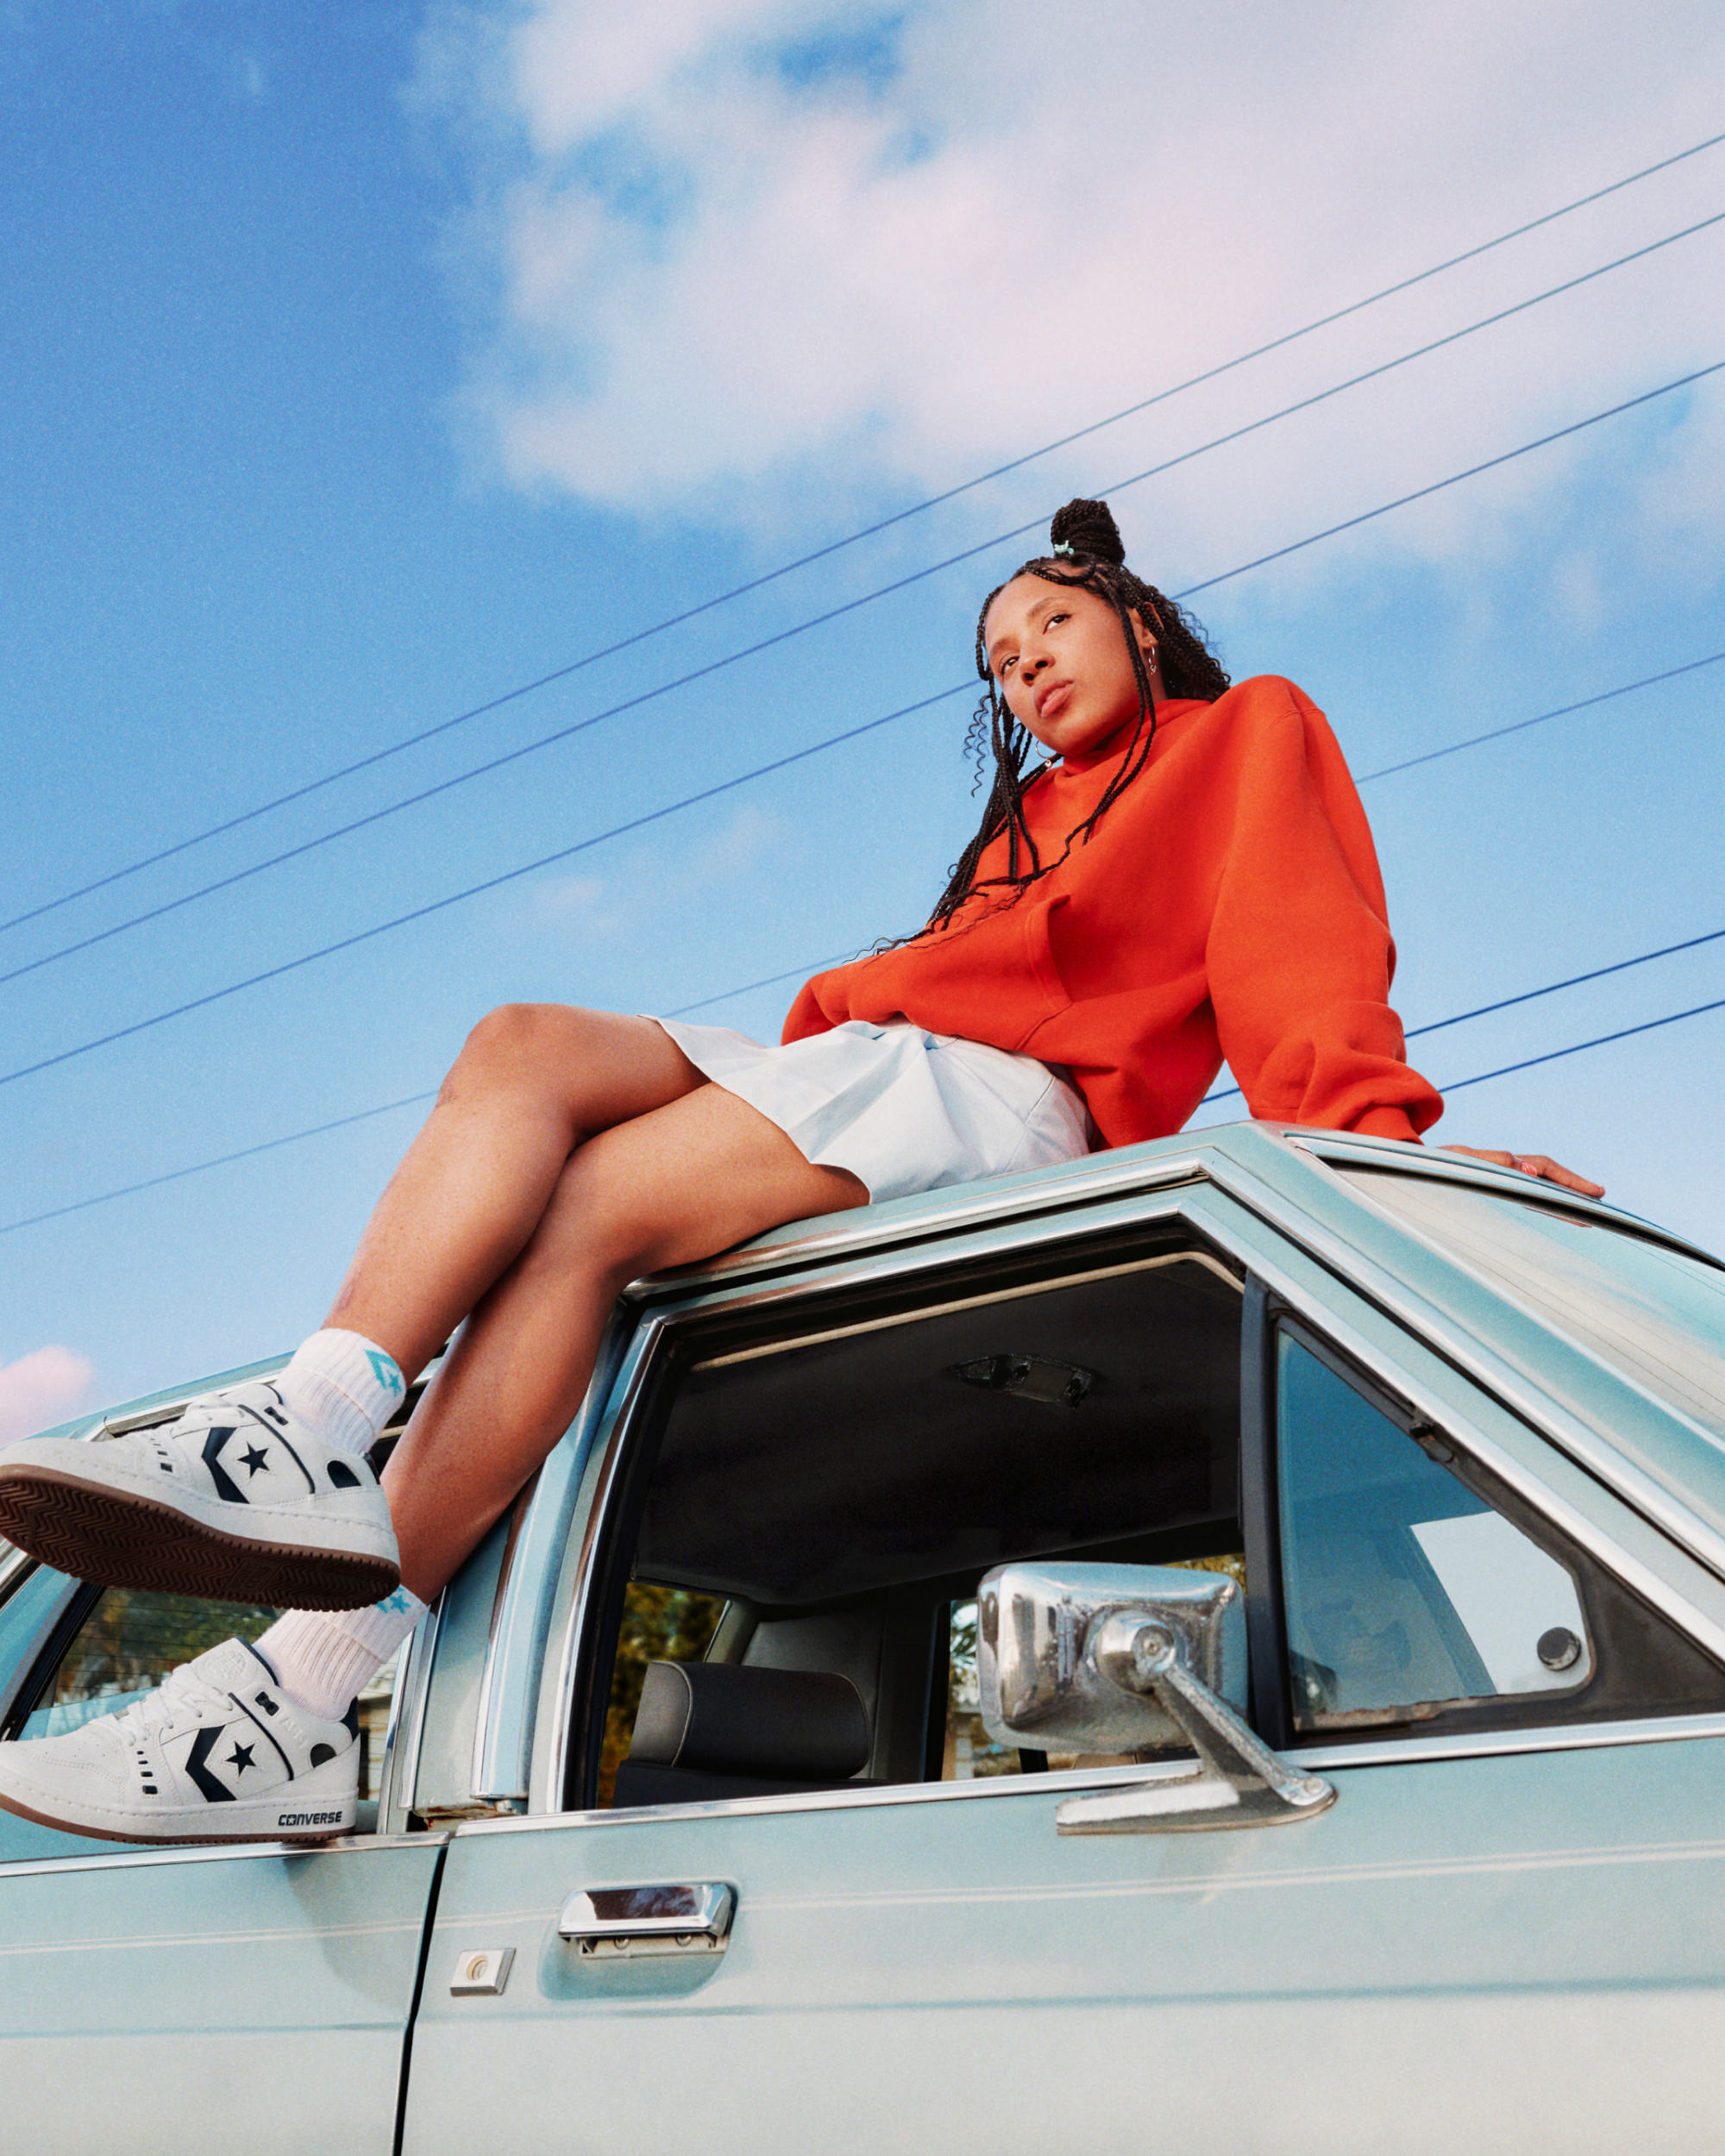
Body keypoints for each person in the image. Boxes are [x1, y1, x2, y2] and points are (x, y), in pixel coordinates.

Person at [0, 497, 1601, 1844]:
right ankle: (316, 1420)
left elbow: (1294, 954)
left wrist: (1375, 1157)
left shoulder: (1243, 733)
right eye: (996, 657)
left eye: (1043, 623)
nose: (1022, 663)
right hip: (875, 1064)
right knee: (521, 1046)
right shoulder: (1022, 828)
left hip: (1012, 1100)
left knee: (588, 1219)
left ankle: (300, 1680)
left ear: (1132, 616)